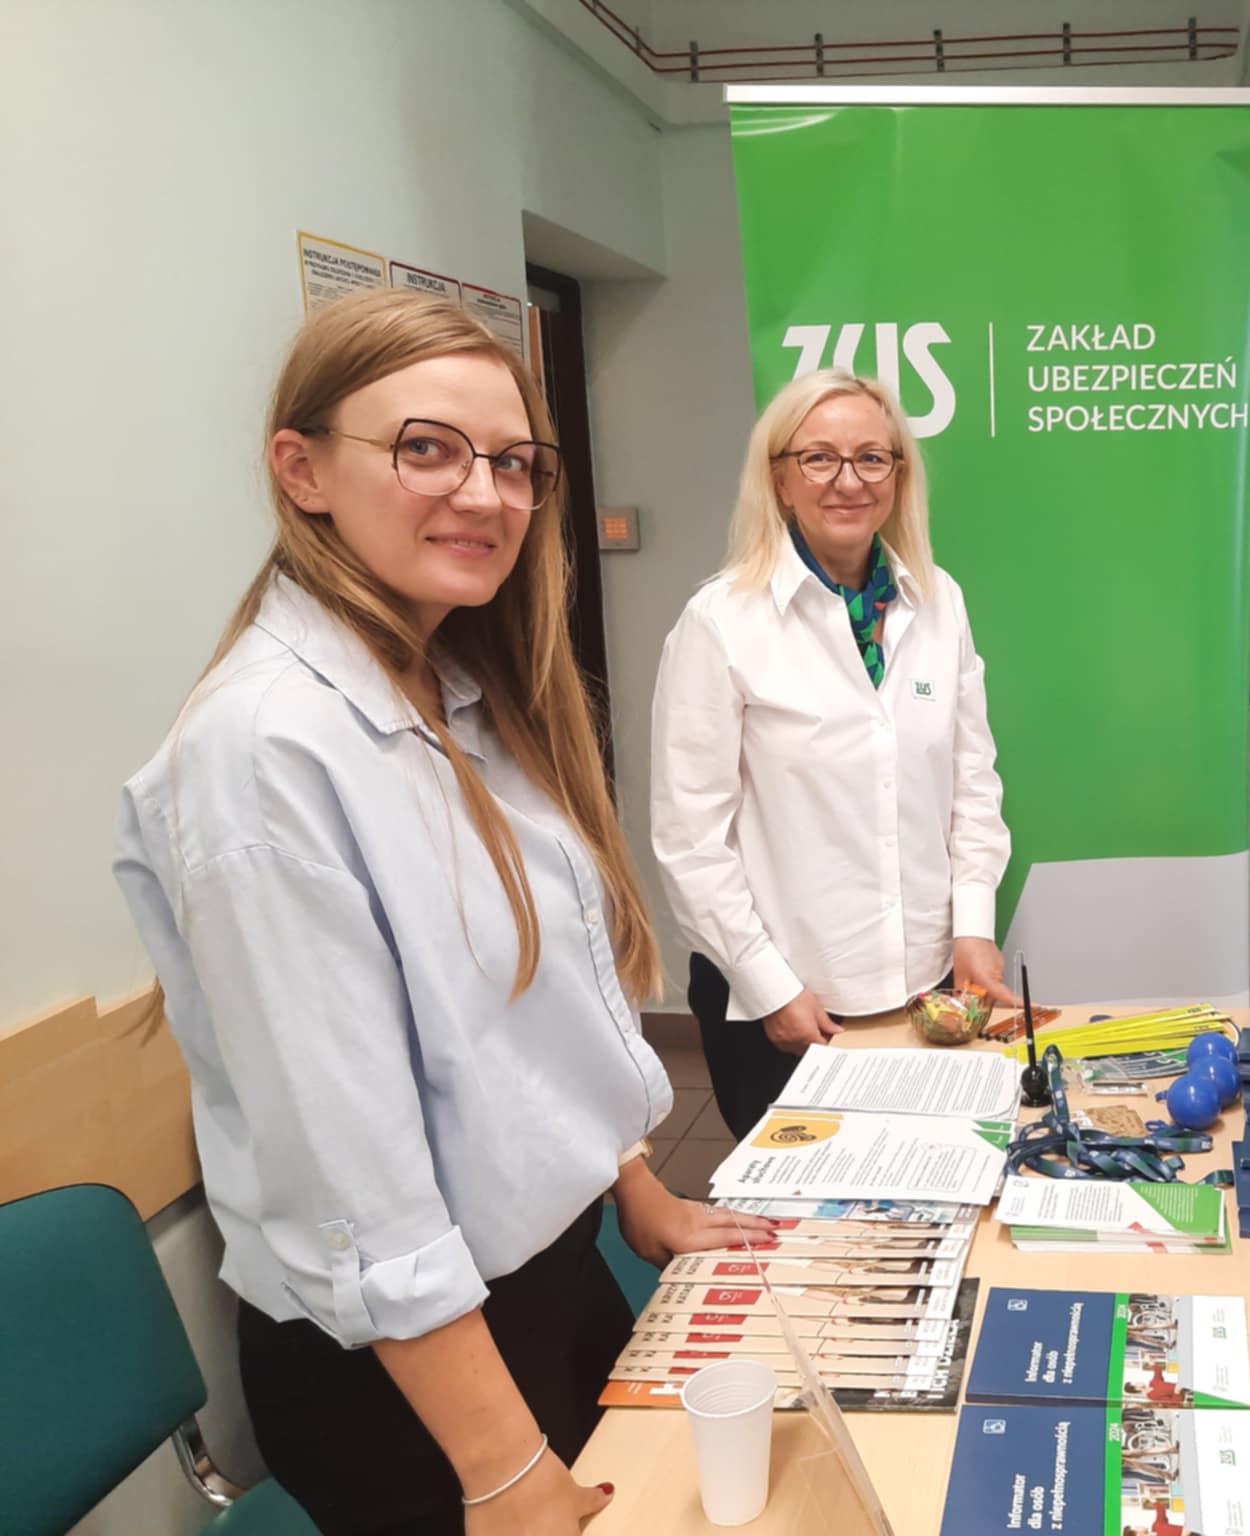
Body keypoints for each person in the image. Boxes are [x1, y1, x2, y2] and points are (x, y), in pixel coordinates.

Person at [112, 290, 774, 1536]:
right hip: (415, 1382)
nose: (484, 493)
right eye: (427, 448)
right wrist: (504, 1470)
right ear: (301, 470)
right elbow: (351, 1177)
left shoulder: (462, 685)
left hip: (546, 1285)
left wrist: (634, 1185)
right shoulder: (263, 750)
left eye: (514, 462)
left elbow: (523, 1022)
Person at [651, 368, 1016, 1137]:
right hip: (786, 1006)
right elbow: (690, 841)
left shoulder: (939, 602)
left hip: (926, 991)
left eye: (872, 458)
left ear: (898, 475)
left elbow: (972, 783)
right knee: (809, 1207)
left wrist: (974, 926)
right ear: (779, 479)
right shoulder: (721, 622)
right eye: (819, 458)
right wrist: (769, 987)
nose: (849, 481)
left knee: (926, 1181)